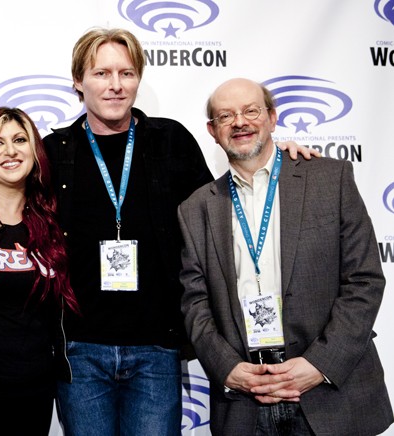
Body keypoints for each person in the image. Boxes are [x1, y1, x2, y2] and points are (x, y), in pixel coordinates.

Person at [43, 28, 317, 435]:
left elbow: (221, 208)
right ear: (78, 82)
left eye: (127, 72)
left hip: (156, 346)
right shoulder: (54, 151)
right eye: (101, 73)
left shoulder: (169, 140)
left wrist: (275, 156)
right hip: (79, 348)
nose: (116, 85)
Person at [178, 77, 394, 435]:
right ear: (213, 131)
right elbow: (194, 304)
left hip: (329, 394)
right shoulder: (196, 208)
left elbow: (364, 280)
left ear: (273, 117)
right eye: (226, 116)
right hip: (247, 402)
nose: (240, 122)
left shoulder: (329, 178)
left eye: (251, 111)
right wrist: (228, 369)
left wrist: (319, 364)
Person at [0, 108, 78, 435]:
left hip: (35, 389)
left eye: (20, 140)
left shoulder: (52, 224)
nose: (10, 151)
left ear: (34, 151)